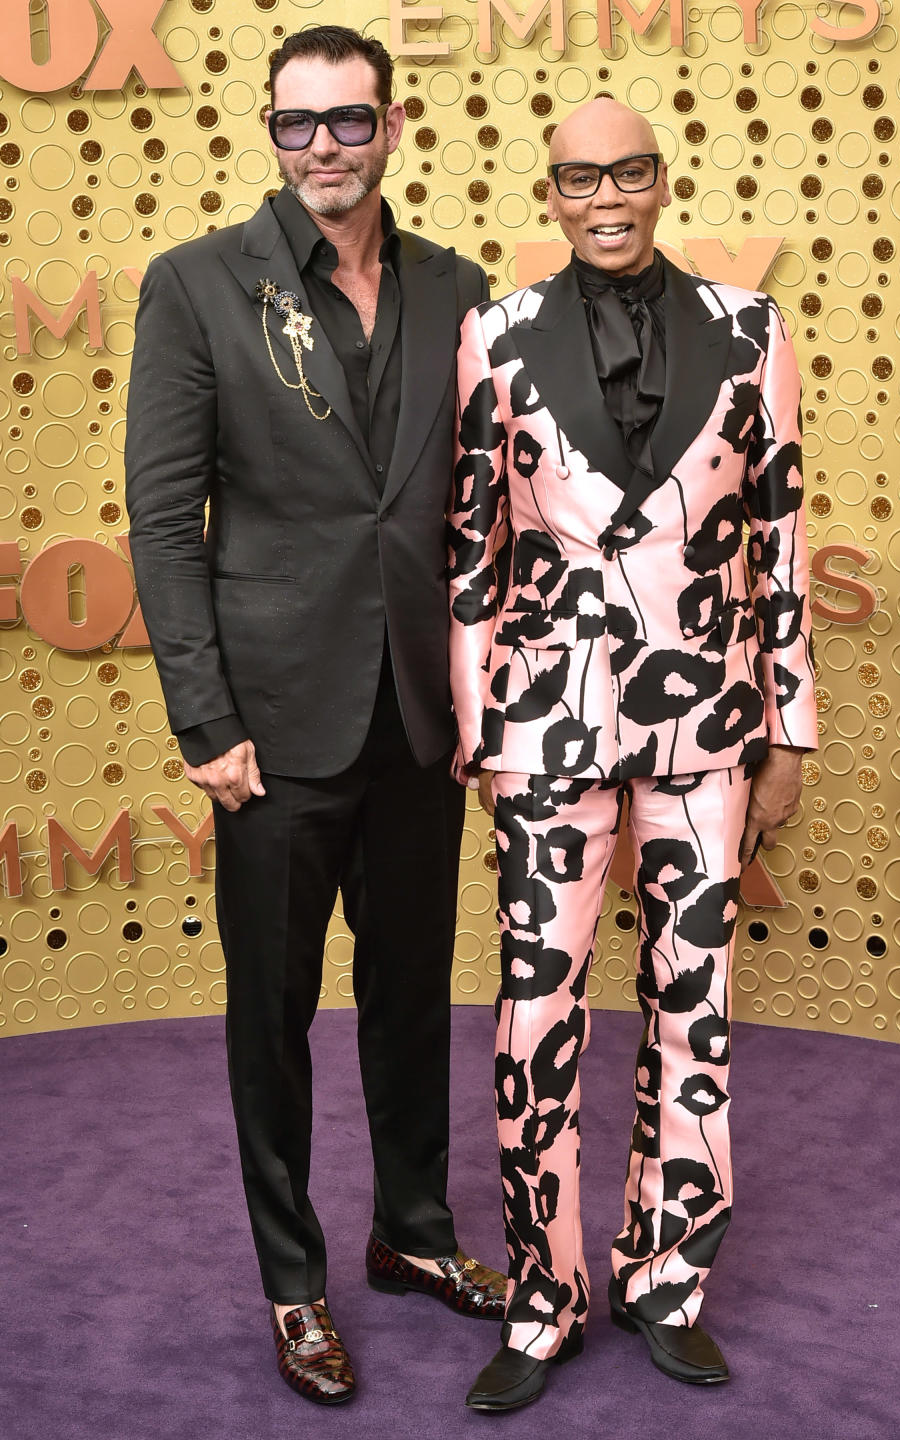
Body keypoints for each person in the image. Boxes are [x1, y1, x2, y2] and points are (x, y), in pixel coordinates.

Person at [125, 24, 505, 1407]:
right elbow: (166, 525)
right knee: (269, 1015)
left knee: (412, 998)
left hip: (420, 716)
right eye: (300, 125)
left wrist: (484, 691)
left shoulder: (461, 289)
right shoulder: (196, 287)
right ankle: (295, 1280)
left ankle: (413, 1232)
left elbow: (483, 505)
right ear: (268, 133)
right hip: (269, 733)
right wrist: (205, 720)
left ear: (393, 126)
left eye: (350, 122)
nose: (325, 148)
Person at [448, 97, 817, 1411]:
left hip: (711, 723)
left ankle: (665, 1277)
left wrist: (788, 728)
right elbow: (476, 550)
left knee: (692, 1009)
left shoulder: (752, 330)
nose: (605, 195)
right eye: (578, 178)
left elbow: (778, 534)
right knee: (536, 1013)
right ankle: (545, 1302)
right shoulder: (491, 338)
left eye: (629, 172)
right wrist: (486, 725)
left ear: (663, 182)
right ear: (549, 195)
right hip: (548, 727)